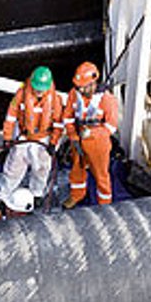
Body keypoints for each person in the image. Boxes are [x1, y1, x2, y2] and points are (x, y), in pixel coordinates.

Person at [0, 66, 64, 212]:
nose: (39, 91)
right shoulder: (21, 95)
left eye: (42, 89)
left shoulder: (55, 101)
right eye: (36, 88)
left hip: (44, 139)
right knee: (14, 167)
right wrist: (8, 137)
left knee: (41, 168)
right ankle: (4, 195)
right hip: (24, 135)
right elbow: (11, 117)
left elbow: (59, 124)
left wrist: (53, 142)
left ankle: (37, 194)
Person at [63, 61, 120, 208]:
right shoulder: (74, 95)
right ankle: (76, 195)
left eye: (83, 87)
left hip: (98, 143)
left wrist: (93, 133)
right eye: (79, 87)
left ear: (93, 84)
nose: (80, 90)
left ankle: (105, 202)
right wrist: (73, 136)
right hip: (78, 138)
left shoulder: (107, 100)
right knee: (77, 169)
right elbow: (68, 116)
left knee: (101, 174)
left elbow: (111, 126)